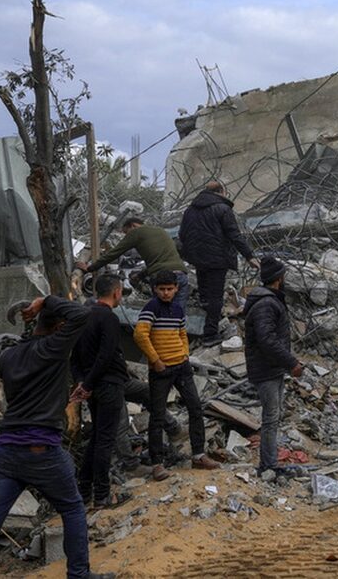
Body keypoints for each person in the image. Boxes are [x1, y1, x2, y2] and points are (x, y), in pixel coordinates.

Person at [0, 296, 110, 579]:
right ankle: (79, 574)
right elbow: (81, 314)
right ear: (59, 327)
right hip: (41, 449)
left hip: (6, 451)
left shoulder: (8, 357)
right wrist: (45, 300)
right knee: (73, 508)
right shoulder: (53, 348)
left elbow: (28, 385)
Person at [134, 269, 218, 480]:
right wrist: (155, 360)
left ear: (176, 289)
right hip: (161, 370)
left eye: (169, 289)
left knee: (195, 407)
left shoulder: (178, 309)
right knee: (157, 416)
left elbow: (182, 333)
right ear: (155, 289)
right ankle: (157, 464)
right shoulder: (151, 308)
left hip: (181, 366)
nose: (166, 293)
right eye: (162, 289)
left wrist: (184, 354)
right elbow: (140, 335)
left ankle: (198, 455)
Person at [69, 273, 129, 509]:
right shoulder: (109, 318)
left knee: (96, 438)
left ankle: (84, 491)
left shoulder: (83, 316)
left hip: (92, 387)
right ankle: (102, 495)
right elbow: (106, 355)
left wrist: (82, 382)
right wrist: (88, 384)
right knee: (105, 440)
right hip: (108, 384)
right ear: (116, 292)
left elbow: (74, 357)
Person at [243, 256, 305, 475]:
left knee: (274, 416)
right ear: (279, 278)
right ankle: (268, 465)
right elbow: (267, 339)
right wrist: (291, 362)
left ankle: (270, 463)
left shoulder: (269, 300)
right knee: (270, 418)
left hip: (271, 368)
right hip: (266, 369)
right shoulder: (267, 304)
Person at [179, 180, 258, 348]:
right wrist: (249, 256)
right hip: (217, 259)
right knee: (215, 297)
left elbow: (182, 234)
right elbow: (234, 235)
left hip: (197, 257)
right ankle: (210, 334)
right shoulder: (223, 209)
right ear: (221, 192)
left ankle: (205, 315)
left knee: (205, 293)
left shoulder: (190, 210)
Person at [80, 218, 189, 310]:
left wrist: (91, 268)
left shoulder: (136, 233)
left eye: (126, 233)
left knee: (161, 312)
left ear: (132, 226)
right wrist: (140, 276)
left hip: (160, 278)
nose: (127, 236)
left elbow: (114, 253)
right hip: (181, 275)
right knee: (178, 312)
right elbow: (159, 262)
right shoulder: (160, 231)